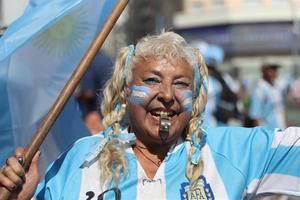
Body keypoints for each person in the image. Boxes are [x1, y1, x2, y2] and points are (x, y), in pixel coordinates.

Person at [0, 32, 300, 199]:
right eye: (152, 80)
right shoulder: (81, 160)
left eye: (181, 83)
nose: (167, 95)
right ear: (126, 90)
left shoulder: (232, 152)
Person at [76, 51, 113, 134]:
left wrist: (74, 97)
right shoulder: (106, 59)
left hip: (97, 114)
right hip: (111, 109)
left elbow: (88, 93)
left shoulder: (90, 62)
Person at [249, 63, 288, 129]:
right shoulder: (259, 89)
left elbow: (280, 110)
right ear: (263, 71)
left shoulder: (276, 87)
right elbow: (256, 116)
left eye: (275, 69)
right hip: (268, 131)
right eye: (271, 69)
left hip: (281, 129)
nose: (274, 72)